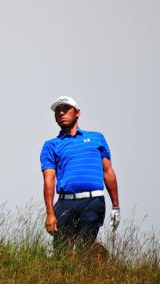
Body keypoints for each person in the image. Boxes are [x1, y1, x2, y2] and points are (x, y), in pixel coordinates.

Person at [40, 96, 120, 255]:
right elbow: (49, 180)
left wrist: (115, 207)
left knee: (85, 250)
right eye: (58, 111)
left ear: (77, 112)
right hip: (65, 203)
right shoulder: (51, 145)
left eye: (65, 109)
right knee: (61, 252)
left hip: (93, 201)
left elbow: (108, 172)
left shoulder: (97, 138)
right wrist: (50, 213)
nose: (61, 113)